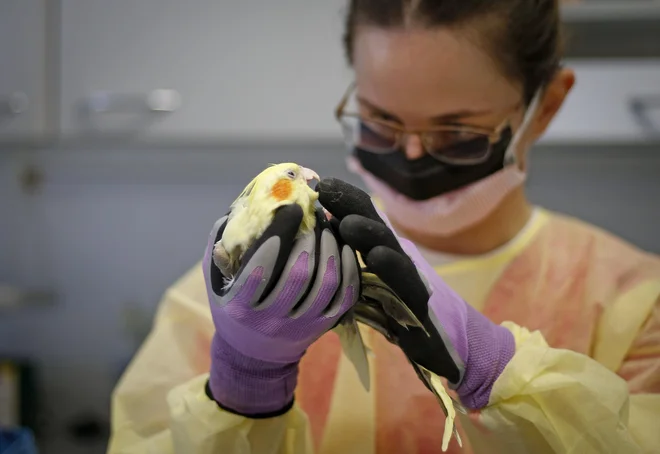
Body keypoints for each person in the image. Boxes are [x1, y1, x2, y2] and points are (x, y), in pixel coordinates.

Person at [106, 0, 660, 453]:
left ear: (545, 108)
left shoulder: (634, 306)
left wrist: (494, 368)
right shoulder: (240, 291)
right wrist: (240, 391)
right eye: (379, 123)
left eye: (457, 134)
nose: (412, 155)